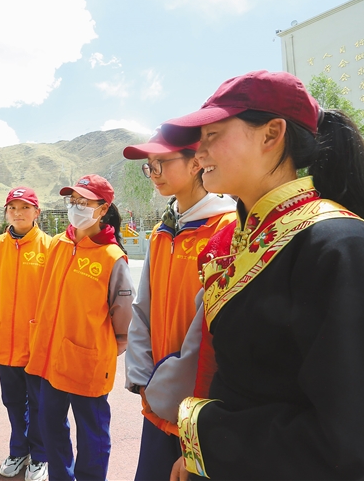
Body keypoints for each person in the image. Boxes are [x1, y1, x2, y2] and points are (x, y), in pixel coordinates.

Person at [158, 70, 364, 480]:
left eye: (212, 135)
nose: (199, 151)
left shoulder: (343, 248)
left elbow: (356, 445)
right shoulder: (249, 240)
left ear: (271, 135)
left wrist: (209, 436)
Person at [122, 130, 235, 480]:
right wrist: (143, 378)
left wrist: (164, 389)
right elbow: (142, 310)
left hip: (200, 406)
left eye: (161, 162)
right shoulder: (162, 232)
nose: (153, 173)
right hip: (157, 401)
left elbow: (208, 331)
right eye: (149, 165)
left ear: (196, 162)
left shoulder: (227, 229)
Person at [26, 174, 135, 481]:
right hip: (51, 357)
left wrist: (107, 346)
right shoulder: (58, 244)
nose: (75, 207)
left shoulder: (112, 257)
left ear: (103, 209)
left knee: (92, 434)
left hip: (88, 361)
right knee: (50, 424)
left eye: (84, 202)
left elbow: (123, 317)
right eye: (72, 201)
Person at [0, 187, 51, 480]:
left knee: (38, 403)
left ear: (36, 212)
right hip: (4, 341)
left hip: (36, 343)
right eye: (13, 208)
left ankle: (40, 455)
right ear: (6, 213)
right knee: (12, 401)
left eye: (25, 208)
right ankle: (18, 449)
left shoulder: (50, 247)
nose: (18, 213)